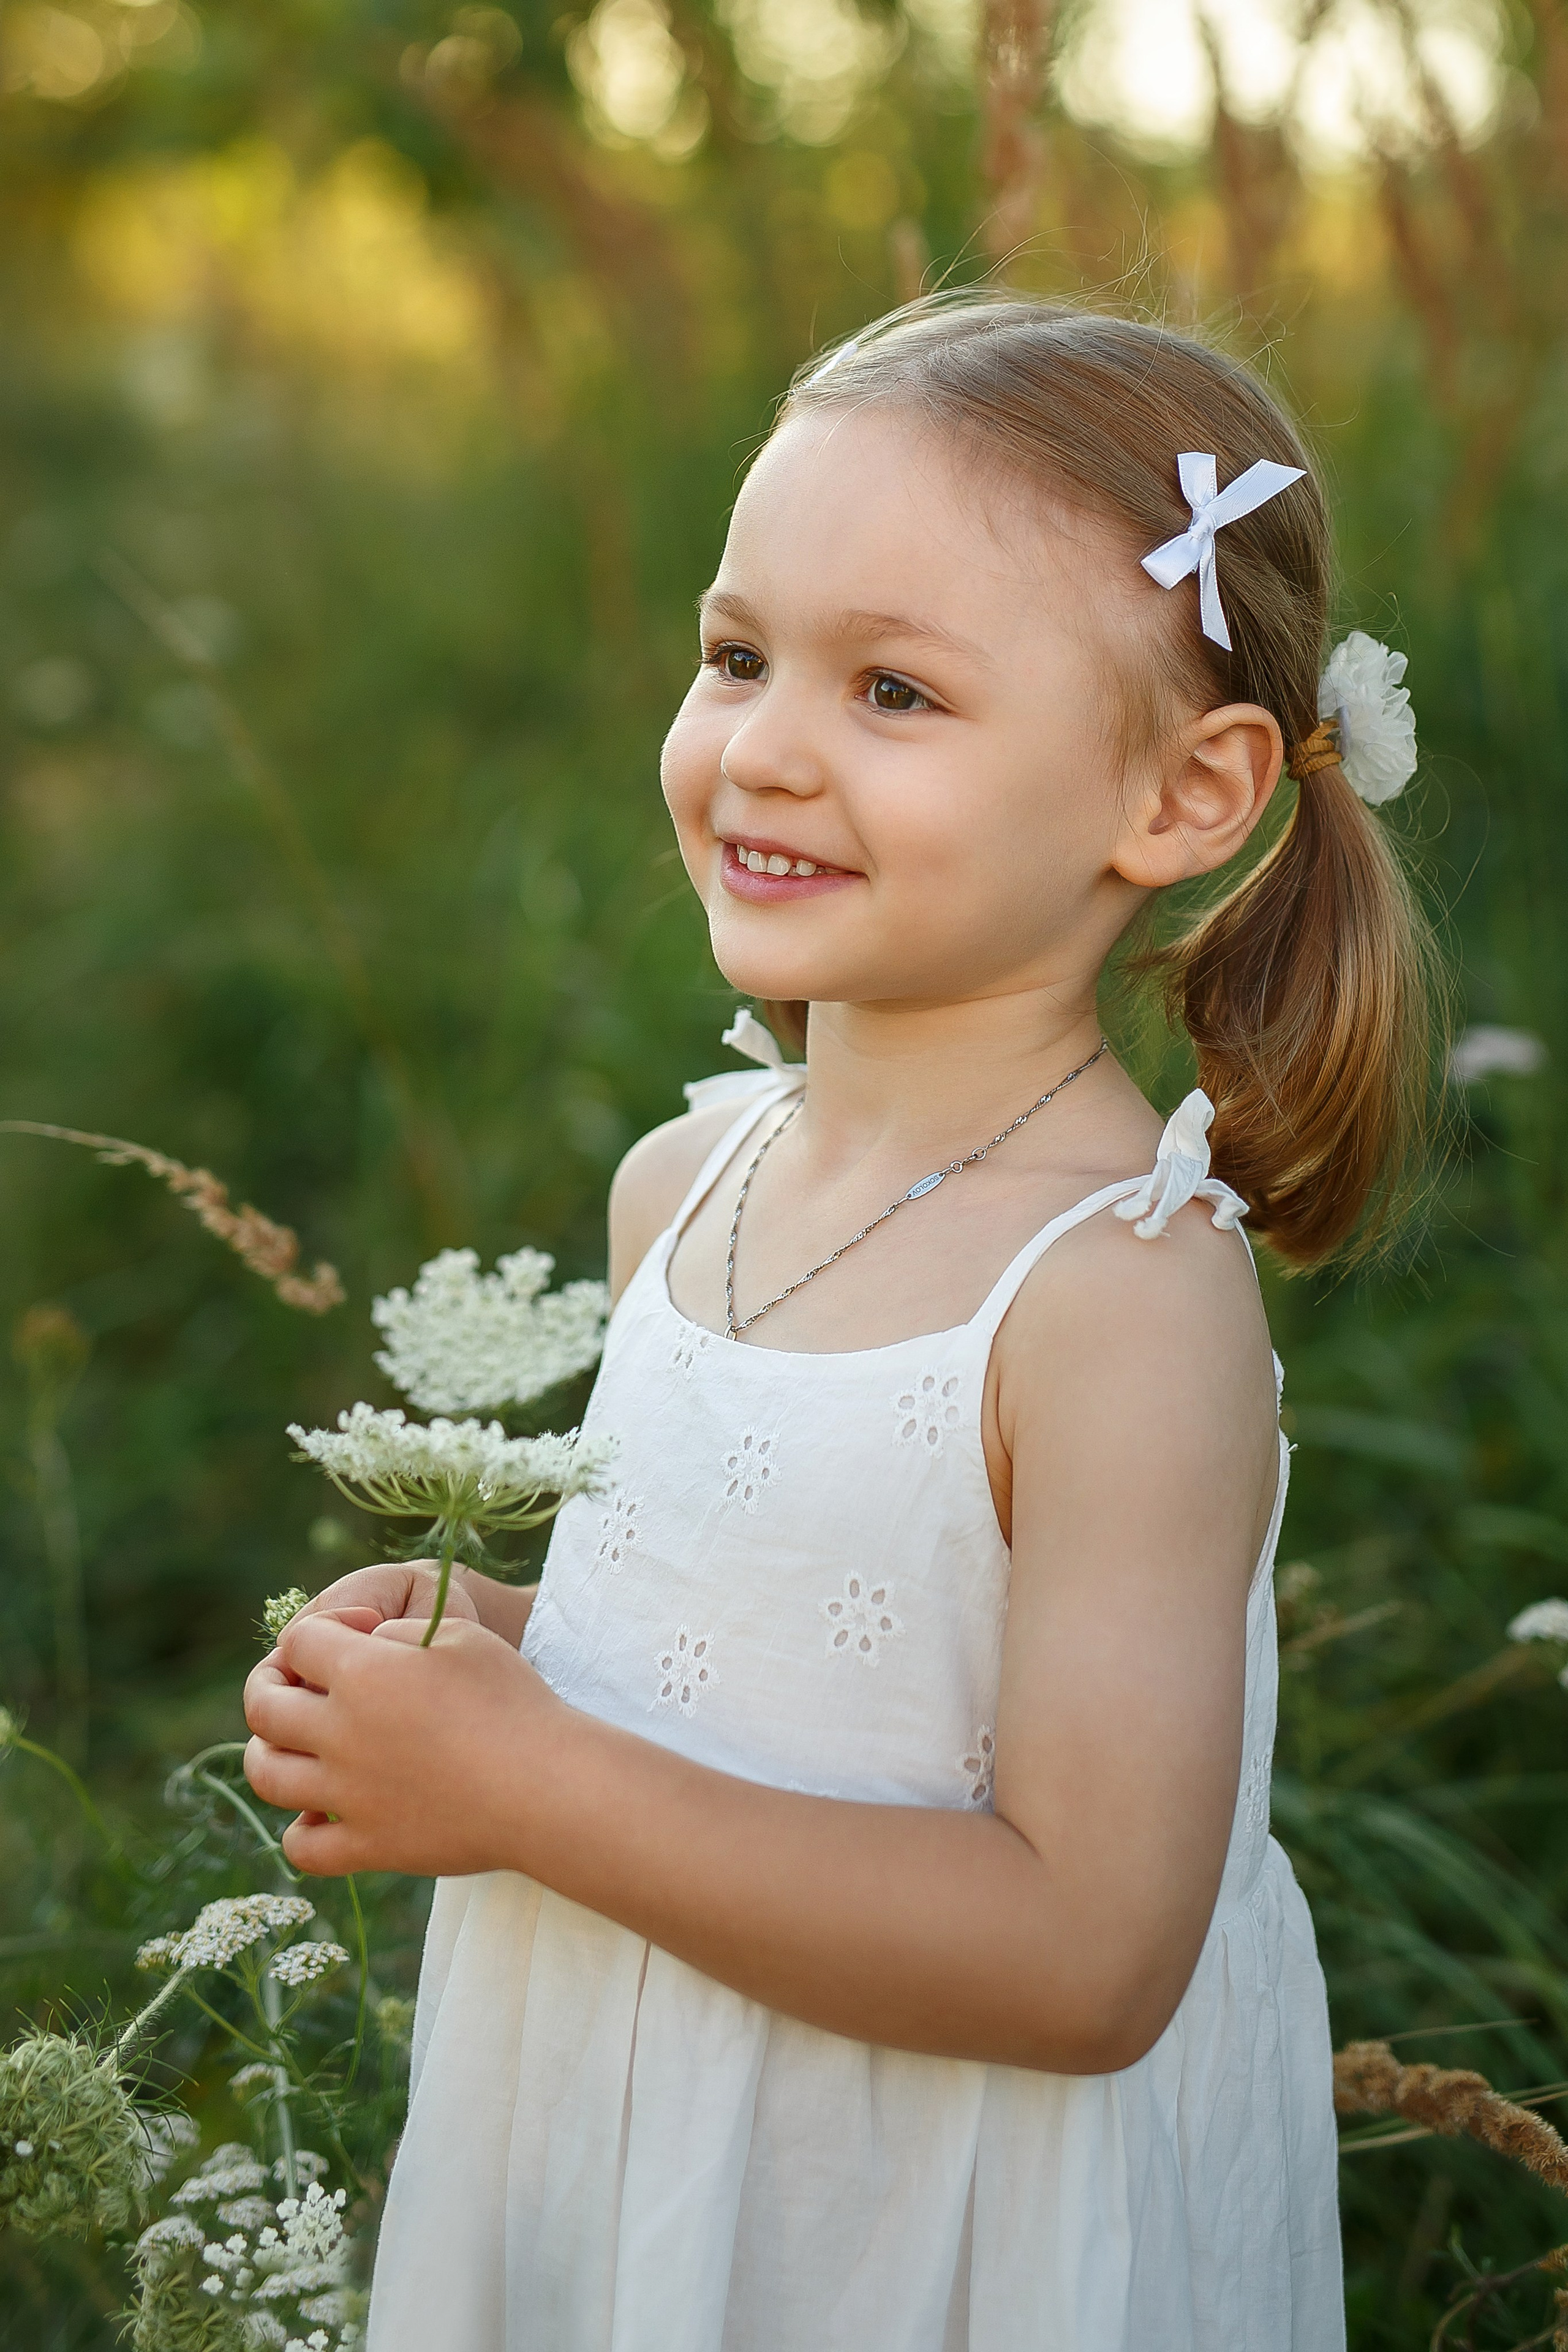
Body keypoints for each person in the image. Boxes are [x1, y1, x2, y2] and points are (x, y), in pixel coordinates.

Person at [244, 295, 1433, 2350]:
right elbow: (770, 1682)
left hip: (917, 2225)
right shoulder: (680, 1186)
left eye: (894, 689)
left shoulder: (1120, 1304)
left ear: (1183, 794)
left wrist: (526, 1790)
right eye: (735, 658)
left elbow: (1086, 1959)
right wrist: (494, 1668)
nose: (764, 746)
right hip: (625, 2150)